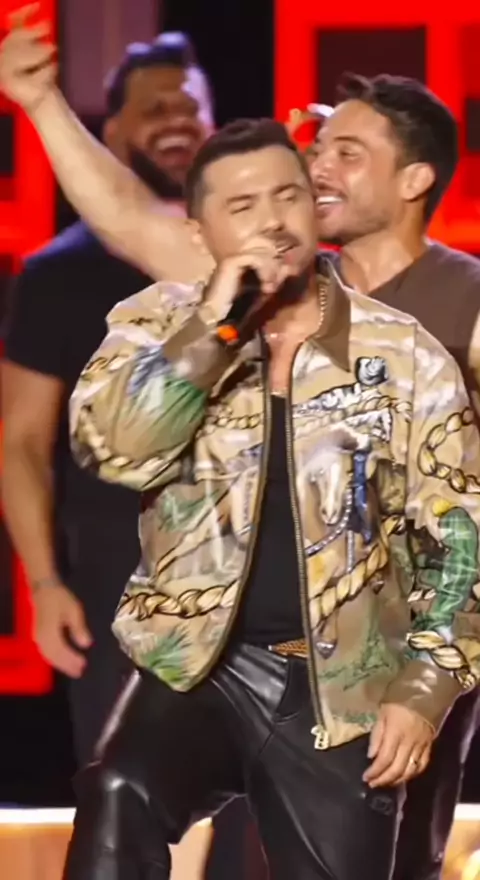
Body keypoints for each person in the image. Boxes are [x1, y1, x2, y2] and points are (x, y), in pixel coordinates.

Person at [0, 14, 479, 876]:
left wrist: (424, 685)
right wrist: (212, 333)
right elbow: (114, 447)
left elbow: (462, 536)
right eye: (247, 205)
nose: (292, 204)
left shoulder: (421, 338)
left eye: (303, 186)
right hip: (204, 661)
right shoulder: (175, 315)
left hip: (358, 665)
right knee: (118, 790)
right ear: (202, 234)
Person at [1, 28, 214, 767]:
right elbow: (20, 441)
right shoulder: (58, 276)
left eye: (190, 108)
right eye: (155, 110)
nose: (177, 122)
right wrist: (45, 583)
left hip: (245, 567)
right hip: (114, 576)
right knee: (128, 793)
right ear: (112, 130)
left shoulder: (250, 258)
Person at [293, 72, 480, 880]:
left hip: (422, 637)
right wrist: (45, 106)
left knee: (398, 858)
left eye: (347, 152)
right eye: (317, 149)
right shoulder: (290, 295)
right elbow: (135, 224)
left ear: (414, 180)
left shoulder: (466, 298)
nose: (317, 167)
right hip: (296, 631)